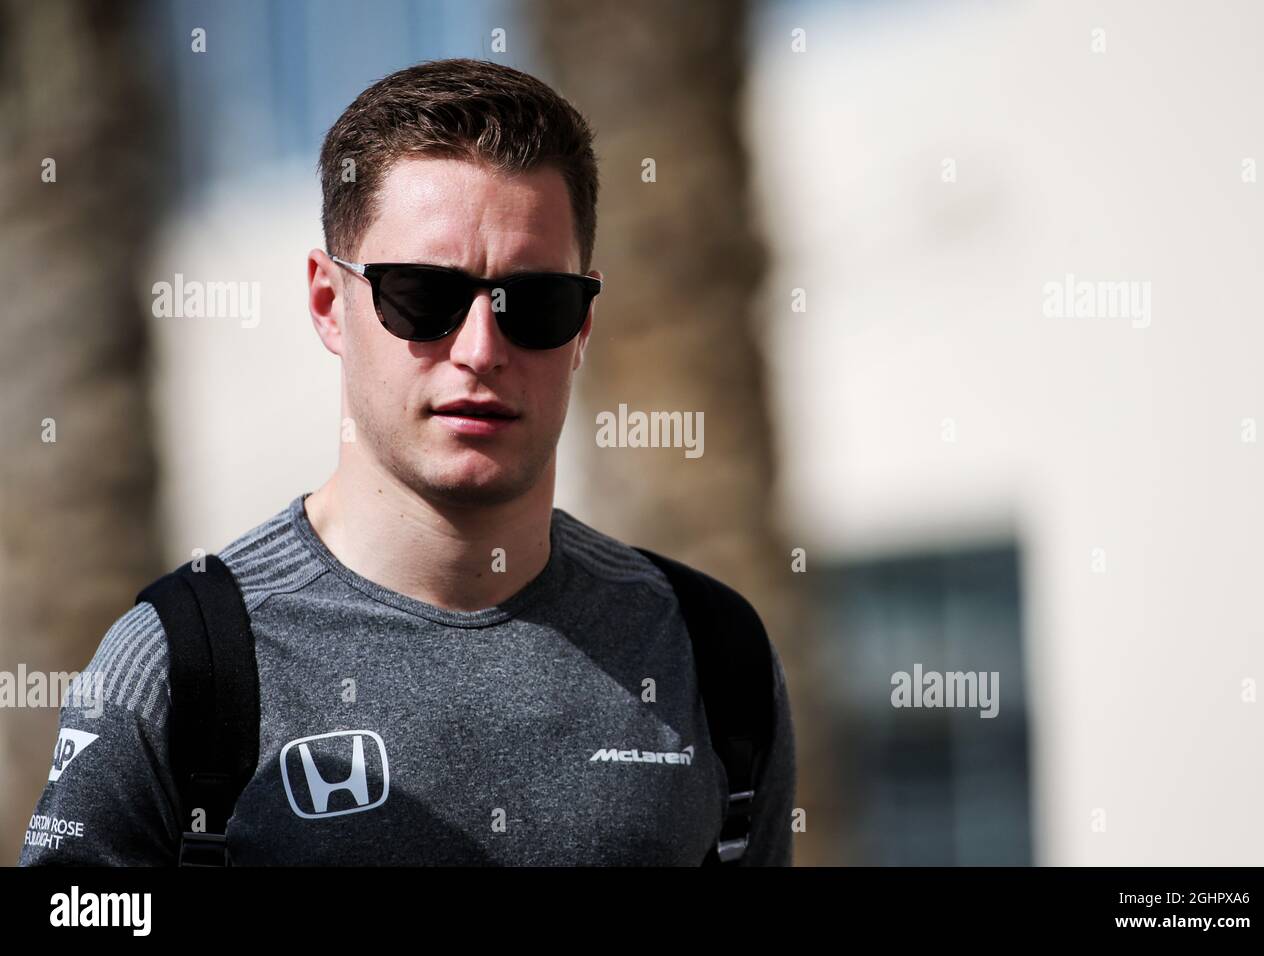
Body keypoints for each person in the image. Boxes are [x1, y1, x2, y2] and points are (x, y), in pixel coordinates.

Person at [17, 58, 795, 866]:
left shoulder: (712, 653)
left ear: (585, 324)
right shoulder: (185, 663)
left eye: (533, 303)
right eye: (423, 295)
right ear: (328, 303)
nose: (481, 350)